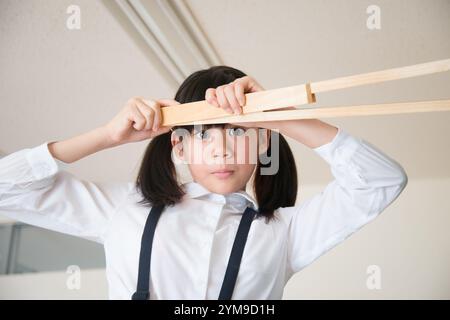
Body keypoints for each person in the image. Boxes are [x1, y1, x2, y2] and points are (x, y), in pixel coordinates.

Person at [0, 66, 407, 299]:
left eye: (239, 131)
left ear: (264, 141)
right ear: (178, 144)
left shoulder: (284, 231)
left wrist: (282, 115)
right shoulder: (124, 211)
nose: (222, 150)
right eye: (204, 134)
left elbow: (381, 180)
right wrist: (107, 136)